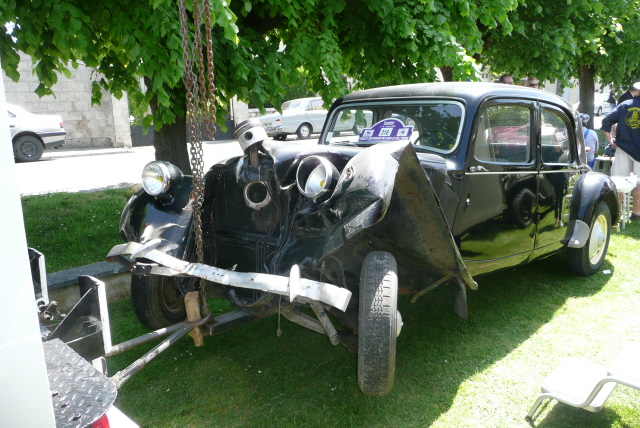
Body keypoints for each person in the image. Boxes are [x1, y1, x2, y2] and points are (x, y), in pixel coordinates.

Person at [601, 81, 640, 220]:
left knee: (618, 181)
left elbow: (606, 121)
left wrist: (610, 139)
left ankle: (617, 211)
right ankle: (636, 212)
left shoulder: (625, 105)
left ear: (635, 91)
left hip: (623, 149)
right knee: (639, 182)